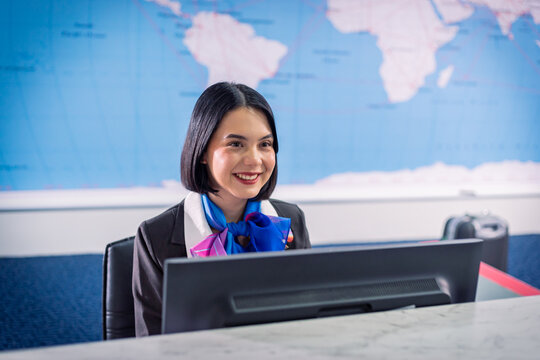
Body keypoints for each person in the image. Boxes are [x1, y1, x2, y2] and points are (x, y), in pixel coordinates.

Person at [132, 82, 311, 336]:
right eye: (236, 144)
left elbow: (308, 325)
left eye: (265, 144)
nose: (254, 160)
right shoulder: (156, 236)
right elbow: (152, 344)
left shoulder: (290, 220)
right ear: (203, 151)